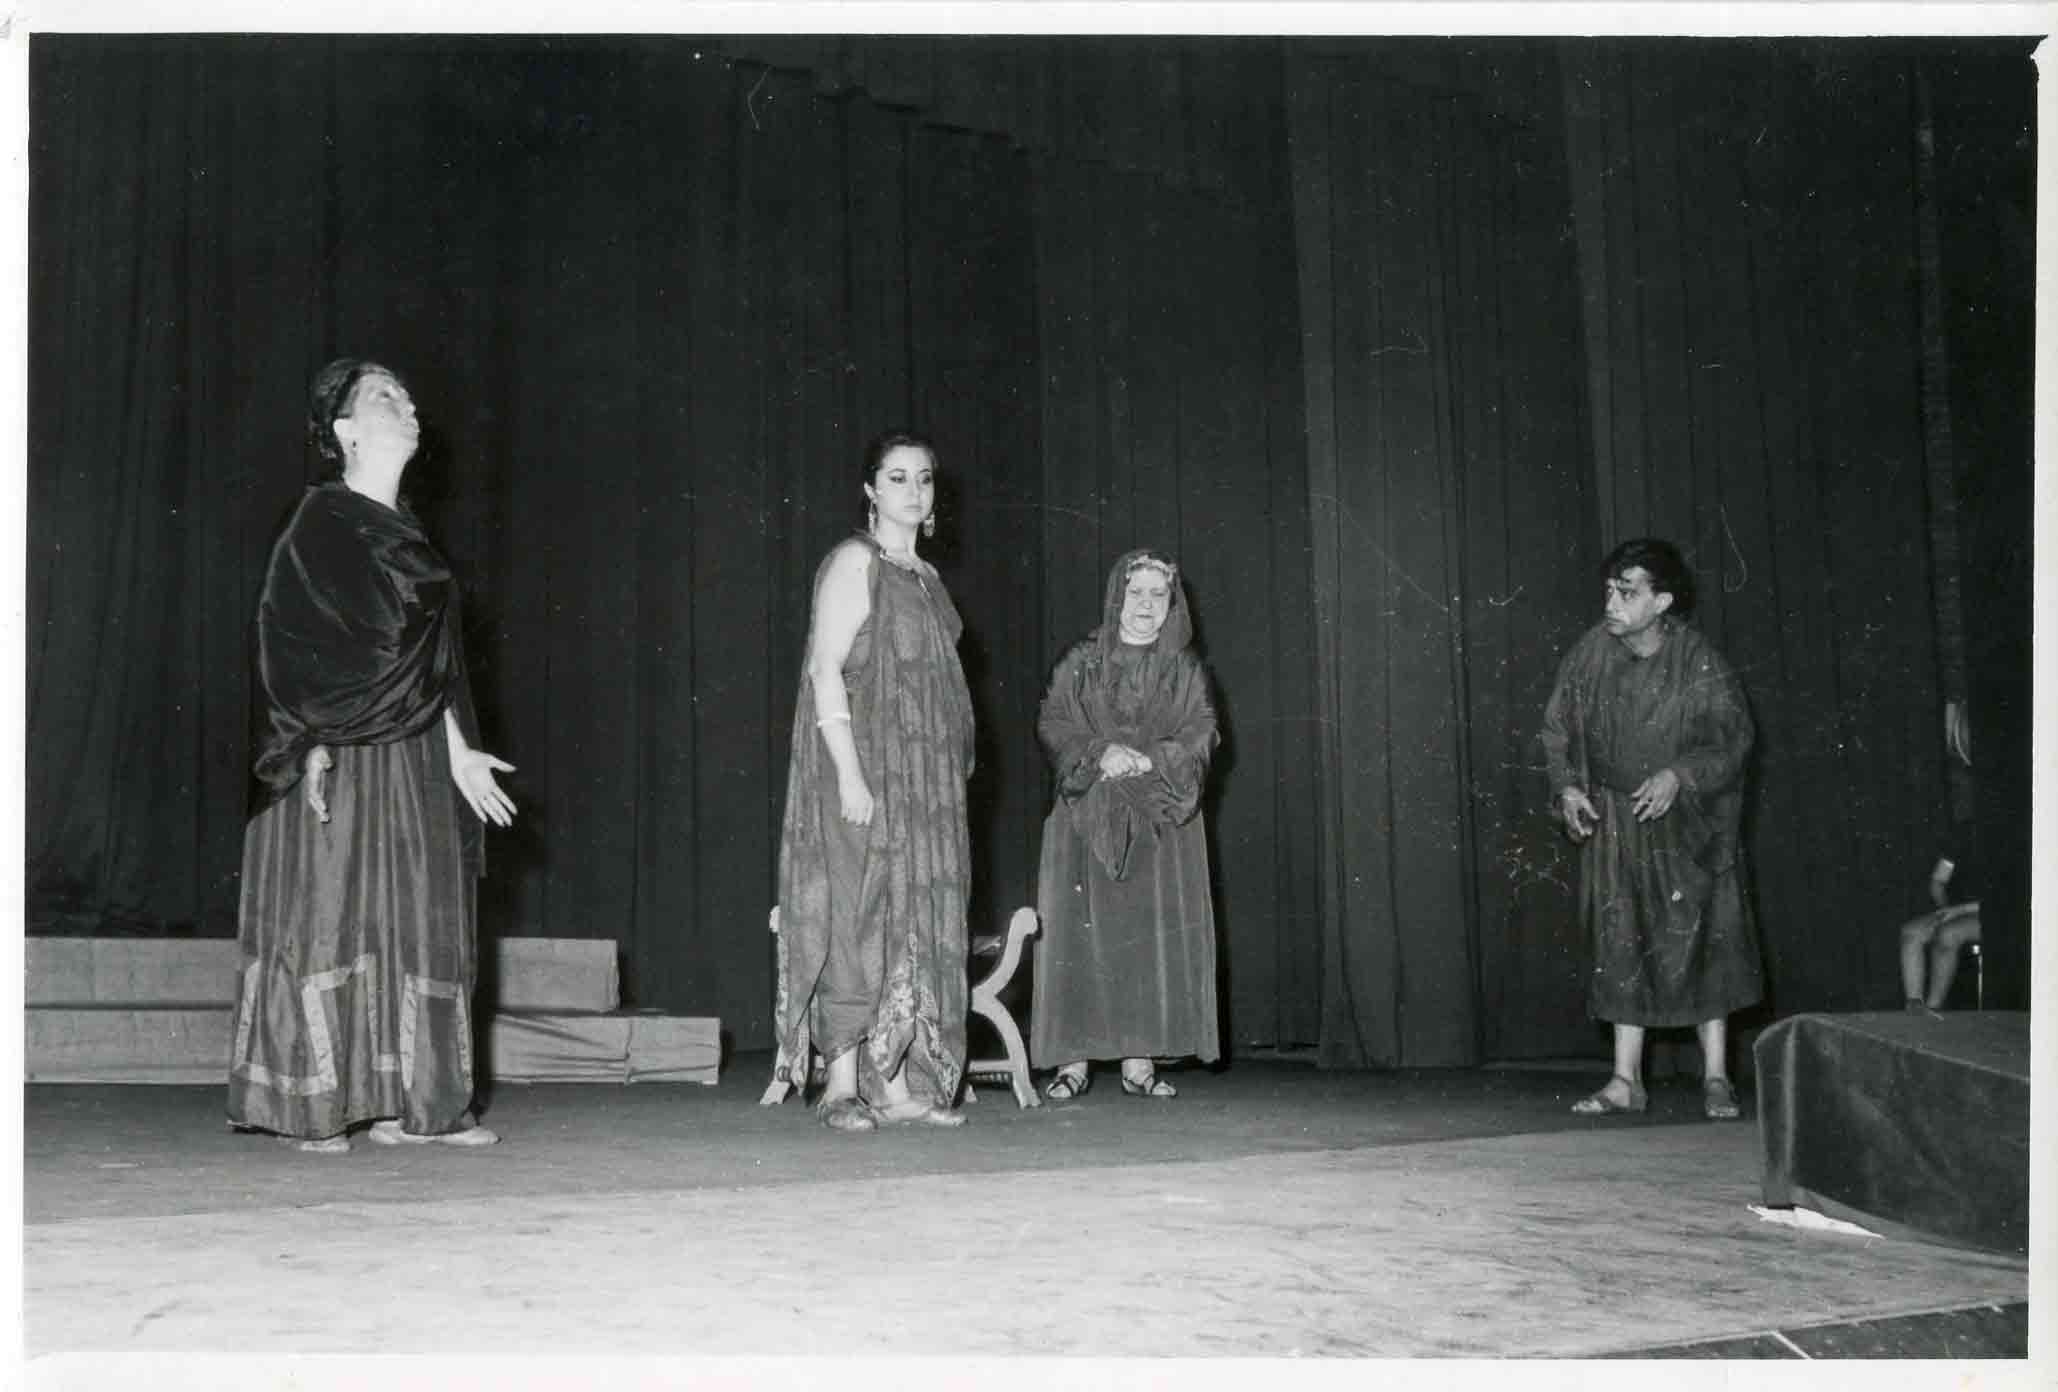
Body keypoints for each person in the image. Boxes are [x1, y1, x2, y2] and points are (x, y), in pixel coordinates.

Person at [227, 358, 516, 1154]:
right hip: (337, 751)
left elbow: (439, 666)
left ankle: (410, 1103)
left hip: (416, 752)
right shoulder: (318, 523)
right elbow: (282, 645)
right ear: (346, 431)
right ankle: (313, 1104)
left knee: (416, 912)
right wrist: (310, 741)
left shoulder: (413, 536)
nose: (409, 406)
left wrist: (462, 755)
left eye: (410, 396)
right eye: (387, 397)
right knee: (333, 914)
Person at [764, 431, 975, 1132]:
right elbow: (826, 670)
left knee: (909, 919)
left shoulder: (926, 577)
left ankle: (893, 1084)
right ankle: (841, 1086)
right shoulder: (855, 562)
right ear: (870, 490)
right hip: (861, 770)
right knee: (855, 914)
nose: (913, 492)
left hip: (921, 783)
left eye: (923, 479)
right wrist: (852, 777)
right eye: (896, 478)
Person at [1539, 538, 1761, 1121]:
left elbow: (1733, 739)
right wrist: (1566, 786)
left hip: (1688, 821)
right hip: (1616, 816)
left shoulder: (1699, 660)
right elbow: (1557, 725)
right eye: (1610, 589)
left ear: (1661, 601)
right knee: (1619, 938)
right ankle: (1624, 1080)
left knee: (1704, 933)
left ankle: (1716, 1077)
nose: (1611, 602)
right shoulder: (1591, 651)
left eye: (1627, 592)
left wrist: (1679, 775)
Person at [1031, 549, 1221, 1101]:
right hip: (1087, 813)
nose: (1144, 605)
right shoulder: (1082, 660)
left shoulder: (1185, 669)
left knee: (1146, 938)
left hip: (1160, 817)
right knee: (1078, 936)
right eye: (1134, 592)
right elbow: (1052, 719)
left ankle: (1141, 1061)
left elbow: (1203, 729)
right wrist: (1099, 751)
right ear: (1117, 597)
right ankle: (1073, 1061)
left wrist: (1154, 758)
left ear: (1171, 604)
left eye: (1156, 595)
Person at [1900, 701, 1982, 1011]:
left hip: (2000, 916)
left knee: (1948, 934)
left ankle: (1934, 1009)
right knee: (1911, 932)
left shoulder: (2012, 842)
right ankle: (1915, 1011)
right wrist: (1945, 908)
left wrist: (1957, 912)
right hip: (1962, 910)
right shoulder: (1963, 833)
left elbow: (2011, 900)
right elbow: (1938, 881)